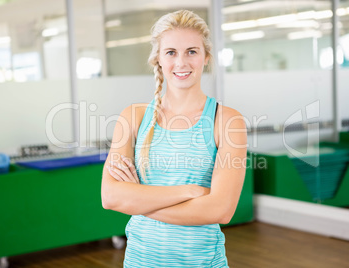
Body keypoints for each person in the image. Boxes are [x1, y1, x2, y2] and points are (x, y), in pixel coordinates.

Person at [101, 10, 247, 267]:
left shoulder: (227, 121)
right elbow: (111, 196)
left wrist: (138, 201)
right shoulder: (133, 117)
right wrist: (189, 192)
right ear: (158, 58)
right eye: (171, 52)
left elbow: (220, 210)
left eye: (191, 51)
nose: (181, 62)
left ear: (206, 58)